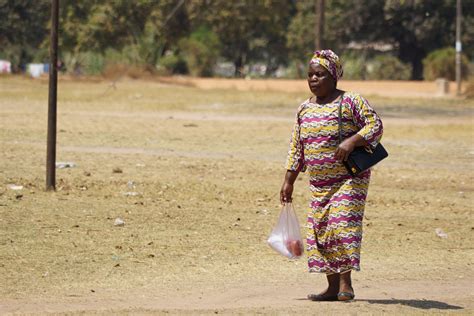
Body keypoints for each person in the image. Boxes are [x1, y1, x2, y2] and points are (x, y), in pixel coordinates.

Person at [280, 50, 383, 302]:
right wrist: (288, 181)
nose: (313, 79)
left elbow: (375, 125)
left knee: (341, 224)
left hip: (349, 179)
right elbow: (297, 148)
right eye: (310, 75)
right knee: (321, 231)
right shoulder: (304, 109)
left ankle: (346, 284)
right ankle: (331, 286)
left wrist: (352, 141)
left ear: (334, 77)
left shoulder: (351, 101)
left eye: (320, 74)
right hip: (319, 184)